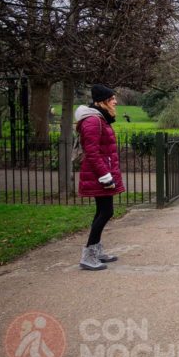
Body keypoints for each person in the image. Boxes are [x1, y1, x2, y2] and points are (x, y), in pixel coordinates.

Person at [74, 84, 125, 271]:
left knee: (102, 211)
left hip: (103, 172)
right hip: (100, 174)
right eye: (112, 99)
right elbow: (92, 153)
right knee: (106, 212)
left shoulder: (100, 118)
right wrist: (105, 176)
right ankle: (88, 256)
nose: (115, 102)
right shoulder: (93, 121)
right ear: (103, 101)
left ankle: (95, 250)